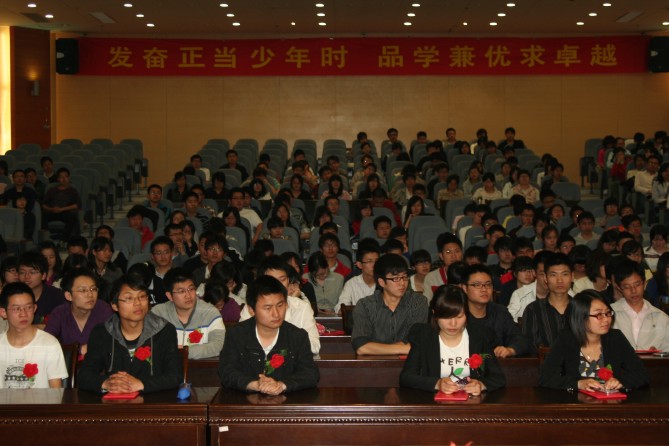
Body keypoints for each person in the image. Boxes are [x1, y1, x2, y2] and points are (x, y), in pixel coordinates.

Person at [78, 275, 181, 394]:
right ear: (115, 305)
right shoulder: (102, 332)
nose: (137, 303)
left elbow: (175, 376)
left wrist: (141, 384)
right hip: (115, 401)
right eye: (129, 298)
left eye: (142, 296)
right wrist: (107, 383)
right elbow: (84, 376)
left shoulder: (164, 330)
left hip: (153, 399)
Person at [218, 275, 319, 394]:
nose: (276, 314)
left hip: (286, 402)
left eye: (280, 305)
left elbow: (310, 374)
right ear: (251, 310)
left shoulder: (297, 336)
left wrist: (281, 385)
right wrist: (255, 385)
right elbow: (226, 371)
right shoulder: (237, 334)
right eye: (268, 308)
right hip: (245, 402)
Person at [400, 285, 506, 395]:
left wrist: (481, 385)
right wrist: (437, 383)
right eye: (447, 317)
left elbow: (498, 378)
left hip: (472, 401)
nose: (453, 324)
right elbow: (406, 377)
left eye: (459, 316)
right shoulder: (424, 336)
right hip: (434, 402)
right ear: (435, 314)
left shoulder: (479, 336)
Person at [539, 291, 649, 391]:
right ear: (581, 317)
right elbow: (546, 378)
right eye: (599, 314)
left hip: (610, 402)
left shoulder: (615, 338)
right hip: (575, 403)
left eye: (608, 313)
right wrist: (578, 384)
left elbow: (642, 373)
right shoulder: (566, 339)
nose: (606, 319)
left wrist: (621, 382)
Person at [351, 253, 429, 355]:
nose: (402, 283)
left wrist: (376, 348)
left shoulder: (418, 302)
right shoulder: (365, 305)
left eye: (405, 277)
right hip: (373, 363)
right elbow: (361, 347)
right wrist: (402, 348)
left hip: (409, 362)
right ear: (381, 282)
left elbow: (416, 341)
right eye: (395, 279)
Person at [0, 282, 68, 388]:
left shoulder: (49, 344)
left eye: (28, 307)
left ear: (35, 308)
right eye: (16, 309)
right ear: (3, 312)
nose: (23, 314)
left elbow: (56, 393)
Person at [151, 268, 226, 359]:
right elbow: (149, 345)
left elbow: (218, 345)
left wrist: (183, 352)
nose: (188, 295)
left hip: (199, 367)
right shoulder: (158, 313)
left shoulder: (210, 313)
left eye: (191, 289)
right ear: (170, 296)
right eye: (181, 291)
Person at [462, 264, 531, 358]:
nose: (484, 289)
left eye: (488, 284)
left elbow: (520, 339)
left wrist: (510, 350)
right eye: (477, 285)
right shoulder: (456, 314)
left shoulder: (500, 312)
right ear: (465, 288)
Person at [44, 269, 114, 358]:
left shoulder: (104, 310)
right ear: (69, 296)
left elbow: (113, 341)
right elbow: (46, 343)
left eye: (93, 289)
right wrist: (78, 349)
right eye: (83, 290)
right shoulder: (60, 313)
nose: (90, 294)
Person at [610, 259, 669, 352]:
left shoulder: (661, 318)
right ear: (619, 288)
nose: (633, 291)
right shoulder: (609, 314)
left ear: (645, 283)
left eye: (637, 285)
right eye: (627, 287)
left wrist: (659, 354)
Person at [521, 253, 573, 353]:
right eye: (553, 275)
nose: (559, 280)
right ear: (545, 277)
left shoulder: (582, 308)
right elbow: (530, 348)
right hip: (545, 362)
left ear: (572, 276)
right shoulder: (533, 309)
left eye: (565, 274)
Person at [18, 252, 67, 327]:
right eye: (22, 272)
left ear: (43, 275)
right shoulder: (13, 296)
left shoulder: (57, 296)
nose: (26, 276)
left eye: (32, 272)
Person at [334, 243, 380, 313]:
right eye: (370, 261)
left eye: (377, 261)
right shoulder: (351, 283)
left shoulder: (386, 282)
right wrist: (342, 310)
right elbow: (341, 306)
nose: (374, 265)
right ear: (359, 265)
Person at [42, 167, 82, 240]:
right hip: (52, 212)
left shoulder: (72, 190)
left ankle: (64, 238)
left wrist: (62, 209)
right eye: (61, 177)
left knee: (73, 216)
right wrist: (51, 209)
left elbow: (77, 205)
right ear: (58, 179)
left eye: (66, 176)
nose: (64, 179)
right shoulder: (52, 190)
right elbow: (44, 205)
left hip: (65, 212)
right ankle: (46, 238)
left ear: (69, 178)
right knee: (42, 215)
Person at [423, 233, 464, 302]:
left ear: (462, 253)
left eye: (457, 251)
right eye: (448, 252)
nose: (453, 256)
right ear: (441, 256)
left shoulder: (471, 275)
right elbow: (427, 303)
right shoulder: (431, 277)